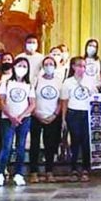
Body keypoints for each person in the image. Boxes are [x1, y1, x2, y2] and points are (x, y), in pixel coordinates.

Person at [0, 57, 36, 187]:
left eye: (25, 66)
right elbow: (1, 101)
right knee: (6, 146)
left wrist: (21, 116)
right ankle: (1, 173)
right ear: (14, 66)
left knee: (21, 146)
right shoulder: (6, 83)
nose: (22, 69)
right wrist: (11, 116)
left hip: (24, 119)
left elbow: (32, 103)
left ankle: (18, 173)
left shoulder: (29, 85)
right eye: (20, 65)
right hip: (7, 118)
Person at [61, 57, 96, 182]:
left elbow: (94, 97)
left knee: (86, 141)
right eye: (79, 66)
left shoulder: (90, 81)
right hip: (73, 113)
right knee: (74, 141)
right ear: (73, 67)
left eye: (84, 66)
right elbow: (64, 101)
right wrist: (64, 118)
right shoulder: (68, 82)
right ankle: (74, 169)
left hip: (86, 113)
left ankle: (86, 168)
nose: (82, 68)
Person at [30, 55, 63, 183]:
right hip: (36, 116)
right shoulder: (36, 80)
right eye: (46, 64)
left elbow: (61, 100)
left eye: (51, 64)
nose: (49, 66)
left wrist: (55, 114)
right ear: (42, 67)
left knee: (50, 145)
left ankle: (49, 171)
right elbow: (31, 97)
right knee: (35, 145)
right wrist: (35, 113)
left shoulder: (59, 81)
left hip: (52, 117)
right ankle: (33, 172)